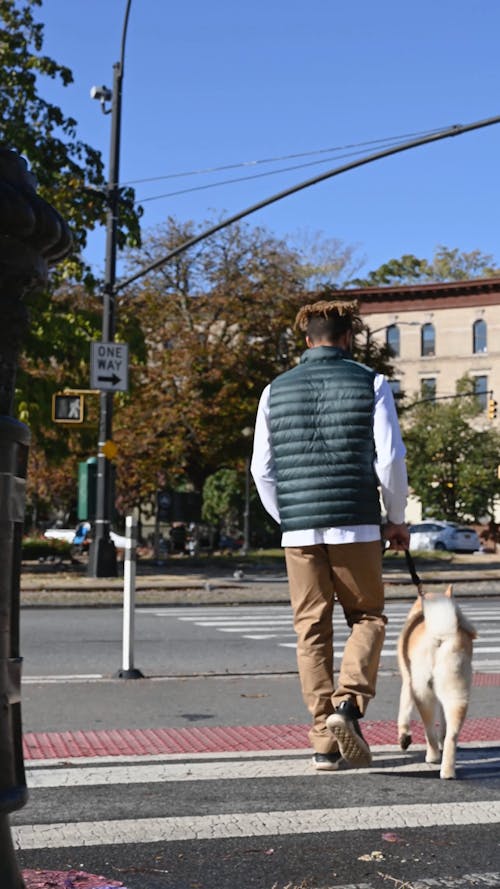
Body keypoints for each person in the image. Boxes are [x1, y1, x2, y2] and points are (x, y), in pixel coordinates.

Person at [251, 298, 410, 772]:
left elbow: (262, 469)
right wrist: (395, 517)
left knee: (311, 629)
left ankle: (323, 737)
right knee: (367, 617)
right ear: (348, 338)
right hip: (356, 525)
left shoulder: (273, 391)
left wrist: (289, 518)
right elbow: (389, 460)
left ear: (306, 340)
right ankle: (348, 706)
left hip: (298, 531)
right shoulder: (371, 382)